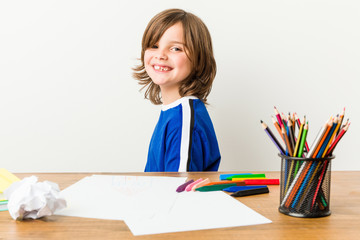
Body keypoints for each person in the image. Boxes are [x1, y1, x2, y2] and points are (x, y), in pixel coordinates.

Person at [133, 8, 221, 172]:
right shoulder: (174, 111)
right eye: (154, 45)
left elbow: (177, 190)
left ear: (198, 59)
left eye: (176, 49)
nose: (160, 55)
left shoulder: (182, 119)